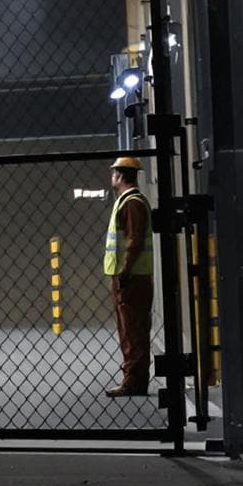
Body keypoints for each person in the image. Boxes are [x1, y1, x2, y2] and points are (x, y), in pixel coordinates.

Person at [103, 156, 155, 398]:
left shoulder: (132, 202)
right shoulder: (127, 201)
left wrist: (124, 271)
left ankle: (133, 380)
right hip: (130, 276)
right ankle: (133, 378)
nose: (111, 176)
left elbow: (133, 241)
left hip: (131, 277)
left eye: (114, 172)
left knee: (132, 329)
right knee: (131, 328)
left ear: (121, 175)